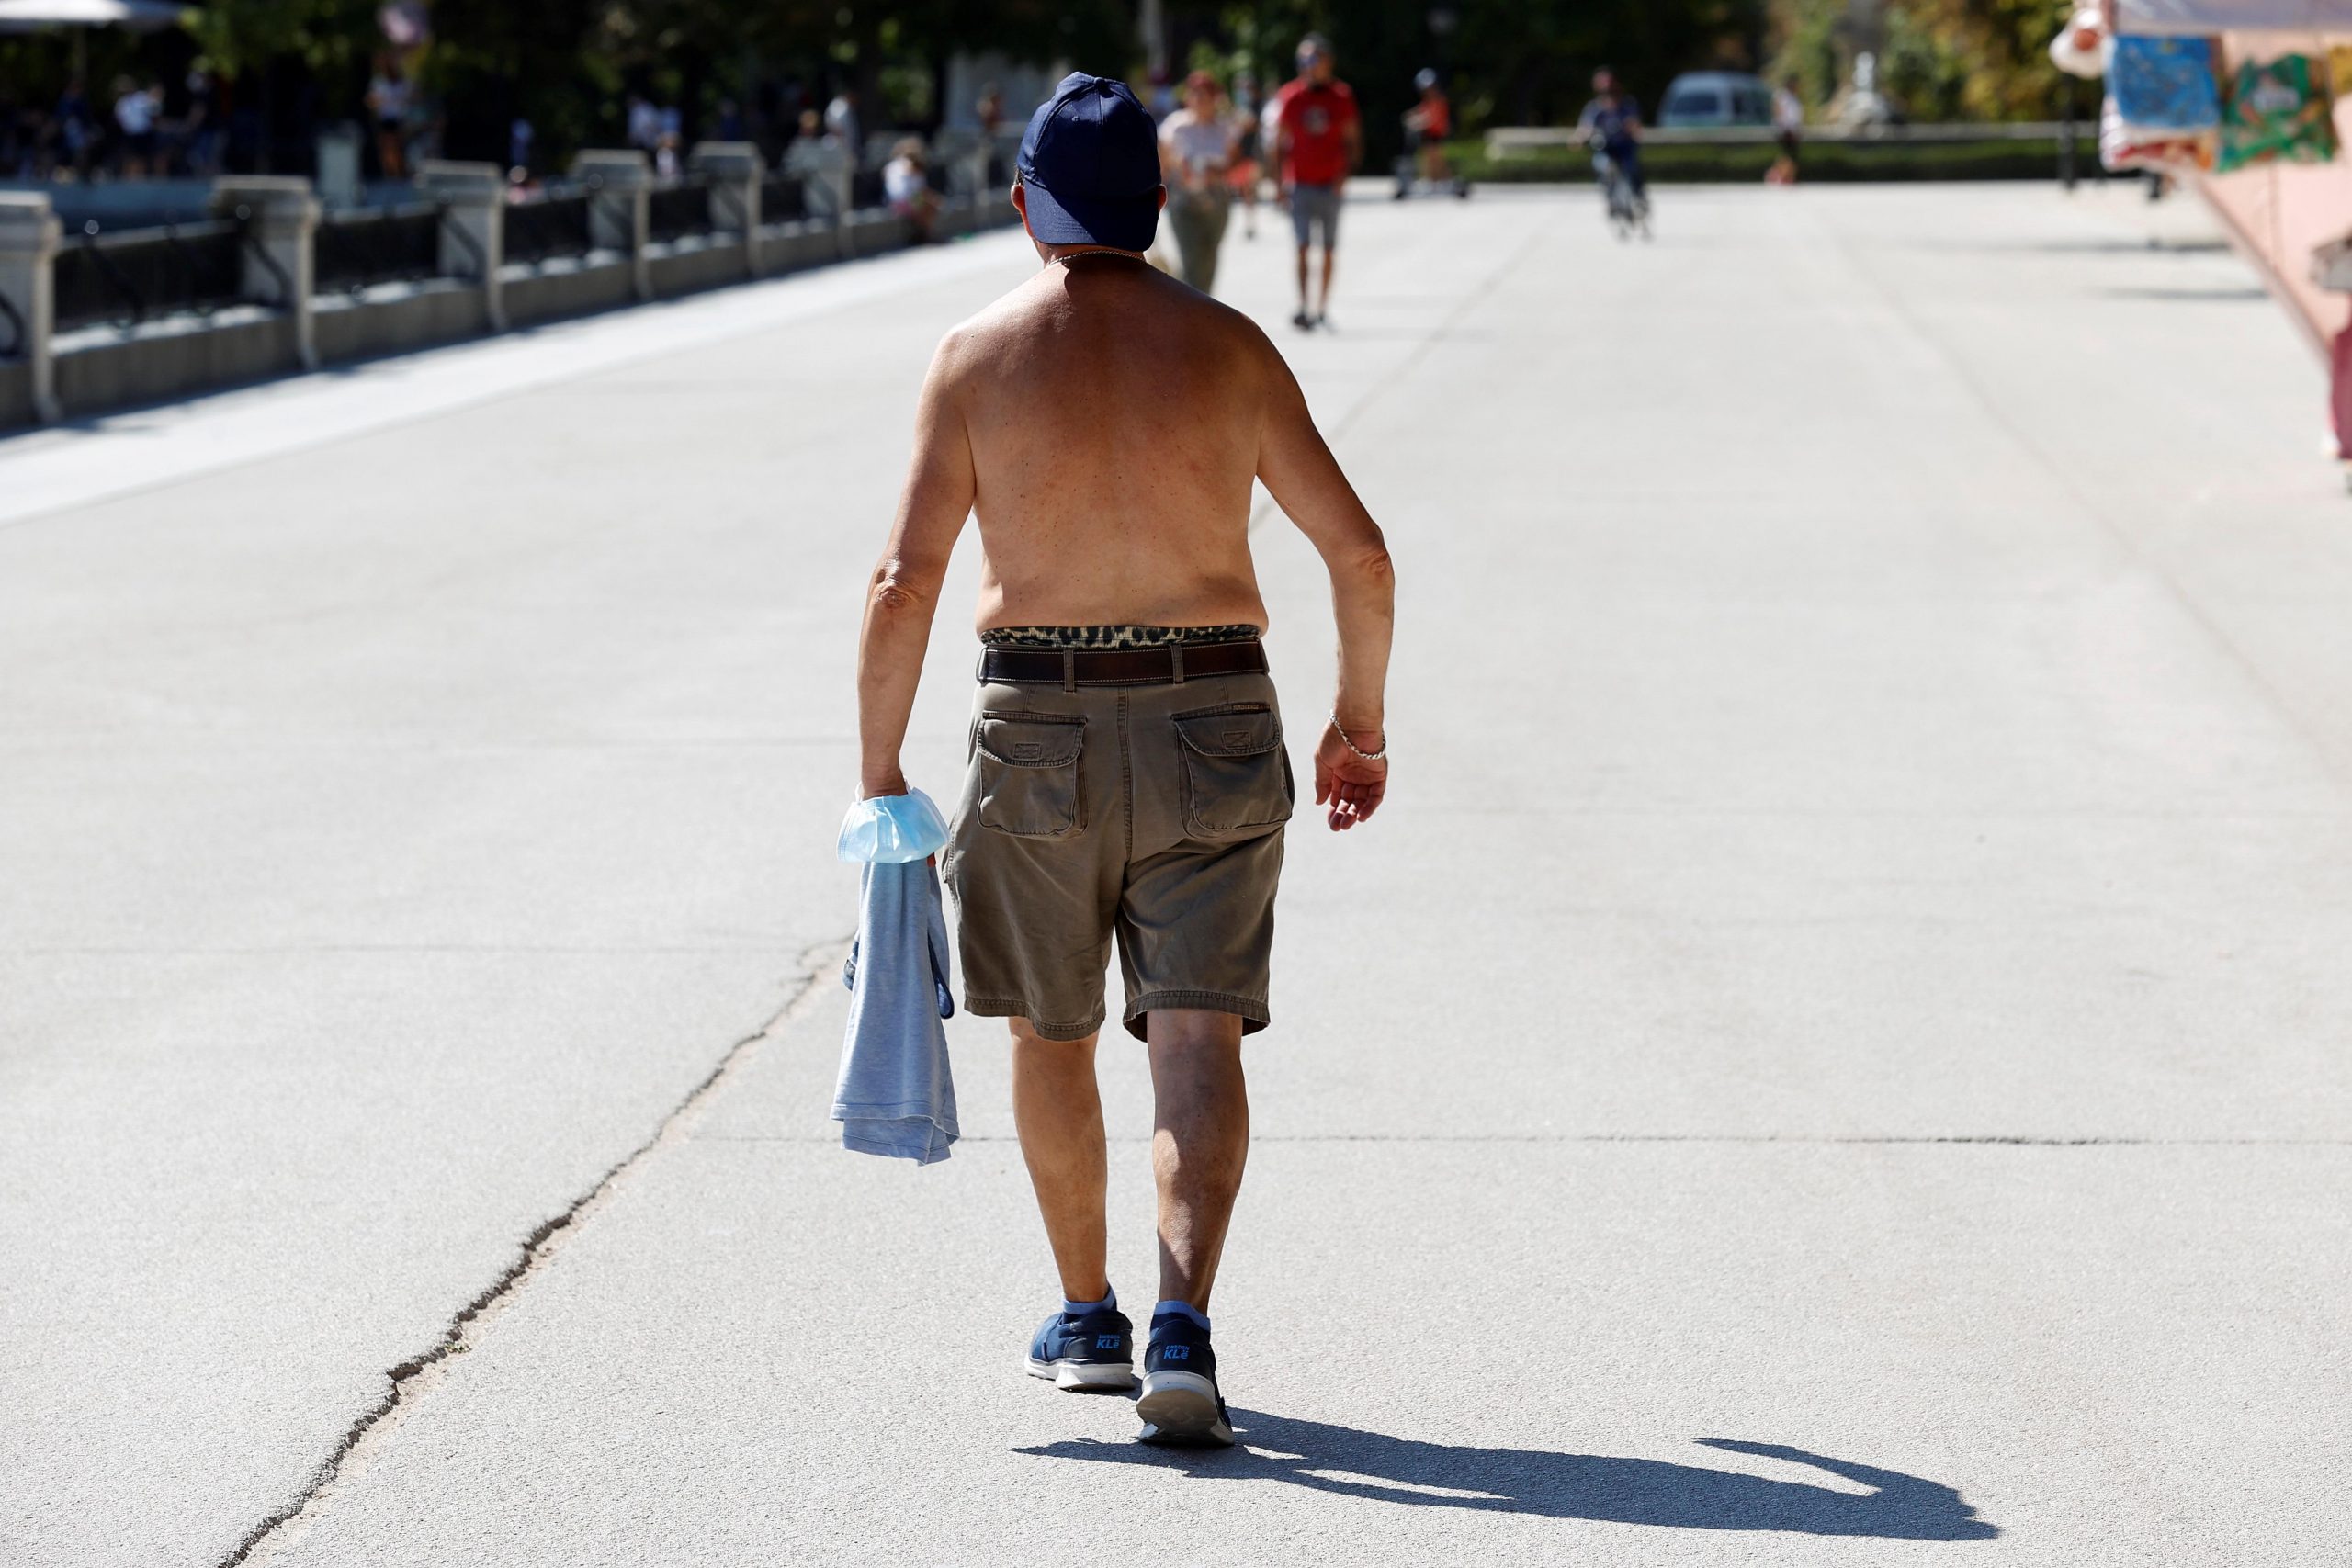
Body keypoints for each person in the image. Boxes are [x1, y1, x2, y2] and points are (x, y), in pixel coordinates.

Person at [854, 71, 1394, 1449]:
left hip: (1034, 717)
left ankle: (1086, 1313)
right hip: (1213, 707)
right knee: (1195, 1030)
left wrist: (880, 774)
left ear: (1027, 200)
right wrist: (1357, 722)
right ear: (1160, 199)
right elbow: (1359, 550)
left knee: (1052, 1026)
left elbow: (905, 581)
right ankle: (1184, 1327)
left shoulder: (973, 356)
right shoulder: (1227, 348)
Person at [1272, 34, 1361, 331]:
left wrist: (1343, 177)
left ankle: (1322, 308)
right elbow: (1279, 143)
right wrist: (1278, 183)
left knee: (1328, 249)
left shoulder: (1341, 96)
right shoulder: (1291, 96)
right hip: (1300, 184)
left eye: (1313, 60)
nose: (1308, 66)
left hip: (1329, 184)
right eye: (1303, 61)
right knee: (1301, 246)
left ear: (1327, 62)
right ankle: (1303, 306)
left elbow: (1352, 141)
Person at [1159, 71, 1236, 293]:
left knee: (1209, 256)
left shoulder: (1223, 129)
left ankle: (1204, 306)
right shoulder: (1175, 126)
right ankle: (1190, 314)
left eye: (1205, 95)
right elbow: (1163, 163)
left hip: (1215, 200)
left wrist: (1217, 172)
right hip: (1185, 199)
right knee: (1190, 259)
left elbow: (1233, 163)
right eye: (1195, 94)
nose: (1200, 100)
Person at [1576, 66, 1645, 204]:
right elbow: (1584, 128)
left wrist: (1633, 129)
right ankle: (1610, 198)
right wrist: (1580, 138)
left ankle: (1639, 197)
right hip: (1605, 148)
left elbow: (1635, 125)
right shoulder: (1593, 108)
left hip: (1624, 147)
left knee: (1631, 168)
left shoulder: (1627, 104)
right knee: (1601, 166)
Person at [1402, 68, 1453, 192]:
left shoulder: (1438, 100)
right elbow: (1421, 111)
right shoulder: (1428, 101)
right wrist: (1412, 116)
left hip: (1437, 133)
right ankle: (1432, 180)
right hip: (1429, 133)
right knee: (1427, 156)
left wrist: (1419, 122)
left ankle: (1445, 181)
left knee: (1435, 156)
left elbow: (1433, 117)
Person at [883, 137, 940, 242]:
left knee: (928, 203)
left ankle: (922, 234)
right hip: (901, 203)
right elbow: (914, 190)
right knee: (930, 204)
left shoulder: (893, 166)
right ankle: (924, 234)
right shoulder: (908, 166)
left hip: (898, 202)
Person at [1227, 71, 1261, 240]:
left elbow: (1251, 126)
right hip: (1236, 156)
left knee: (1248, 191)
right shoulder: (1237, 107)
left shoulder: (1256, 106)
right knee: (1237, 191)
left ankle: (1250, 224)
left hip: (1249, 154)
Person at [367, 59, 412, 179]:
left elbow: (410, 99)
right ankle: (389, 173)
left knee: (397, 148)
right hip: (384, 119)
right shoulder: (379, 82)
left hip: (398, 118)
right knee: (386, 149)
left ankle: (399, 173)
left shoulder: (402, 83)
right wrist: (378, 101)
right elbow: (370, 101)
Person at [113, 77, 158, 178]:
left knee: (142, 157)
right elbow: (119, 118)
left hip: (144, 133)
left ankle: (140, 178)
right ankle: (129, 179)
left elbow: (154, 111)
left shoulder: (142, 97)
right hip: (130, 135)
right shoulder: (122, 102)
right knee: (129, 157)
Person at [1770, 75, 1804, 184]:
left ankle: (1789, 177)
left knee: (1792, 156)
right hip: (1785, 130)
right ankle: (1779, 175)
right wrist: (1784, 127)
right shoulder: (1782, 96)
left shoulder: (1794, 97)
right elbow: (1778, 112)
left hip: (1793, 130)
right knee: (1786, 155)